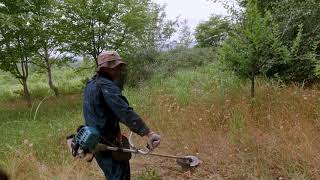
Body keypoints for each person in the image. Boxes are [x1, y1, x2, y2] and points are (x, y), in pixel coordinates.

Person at [83, 50, 161, 179]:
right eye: (116, 67)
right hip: (108, 146)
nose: (119, 70)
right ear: (106, 68)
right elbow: (124, 112)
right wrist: (149, 133)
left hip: (95, 143)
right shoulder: (106, 86)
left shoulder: (90, 85)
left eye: (120, 67)